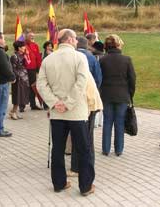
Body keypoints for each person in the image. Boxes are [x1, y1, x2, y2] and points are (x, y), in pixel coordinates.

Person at [37, 29, 95, 196]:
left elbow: (41, 84)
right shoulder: (80, 57)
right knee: (83, 150)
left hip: (57, 113)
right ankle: (85, 186)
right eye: (75, 39)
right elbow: (82, 82)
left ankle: (59, 183)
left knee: (57, 149)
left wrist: (56, 103)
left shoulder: (48, 59)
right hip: (76, 112)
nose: (77, 41)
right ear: (69, 39)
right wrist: (66, 103)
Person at [68, 37, 102, 177]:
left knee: (80, 136)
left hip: (83, 101)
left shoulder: (76, 58)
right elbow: (99, 78)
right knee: (87, 136)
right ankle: (87, 164)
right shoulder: (92, 58)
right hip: (91, 100)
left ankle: (79, 168)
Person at [99, 34, 136, 156]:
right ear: (118, 45)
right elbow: (132, 79)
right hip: (122, 96)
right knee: (120, 122)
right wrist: (130, 95)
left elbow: (99, 78)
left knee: (107, 122)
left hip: (106, 95)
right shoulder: (126, 60)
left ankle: (105, 149)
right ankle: (119, 150)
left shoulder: (102, 60)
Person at [20, 30, 42, 112]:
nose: (33, 37)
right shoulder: (22, 45)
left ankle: (33, 105)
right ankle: (21, 106)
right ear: (25, 37)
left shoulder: (35, 45)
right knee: (24, 87)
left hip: (33, 70)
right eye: (30, 36)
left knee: (33, 87)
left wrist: (39, 68)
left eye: (33, 36)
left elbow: (38, 58)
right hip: (24, 70)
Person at [10, 41, 30, 120]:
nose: (24, 48)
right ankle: (13, 112)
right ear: (19, 48)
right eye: (23, 47)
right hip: (18, 79)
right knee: (17, 95)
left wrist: (27, 56)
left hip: (24, 77)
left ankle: (14, 111)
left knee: (21, 95)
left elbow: (27, 64)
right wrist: (17, 76)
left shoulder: (23, 55)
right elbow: (13, 68)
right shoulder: (14, 56)